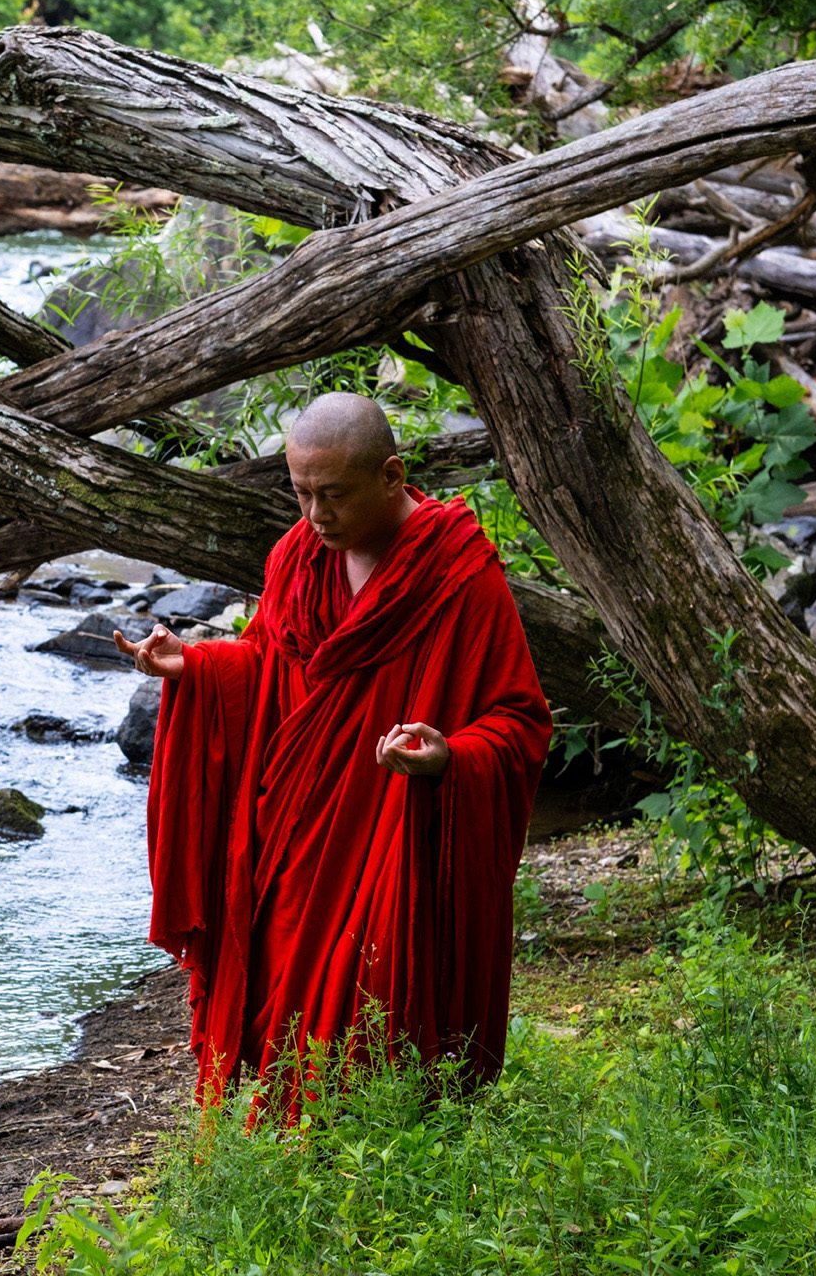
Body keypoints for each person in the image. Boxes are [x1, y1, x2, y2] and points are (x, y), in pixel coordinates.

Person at [113, 391, 551, 1104]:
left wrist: (450, 758)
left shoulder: (458, 574)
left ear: (391, 475)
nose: (317, 516)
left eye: (335, 495)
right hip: (299, 829)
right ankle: (301, 1140)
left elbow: (519, 720)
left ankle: (384, 1145)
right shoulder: (297, 558)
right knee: (288, 986)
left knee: (375, 995)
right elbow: (272, 666)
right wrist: (194, 665)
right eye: (302, 494)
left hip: (391, 831)